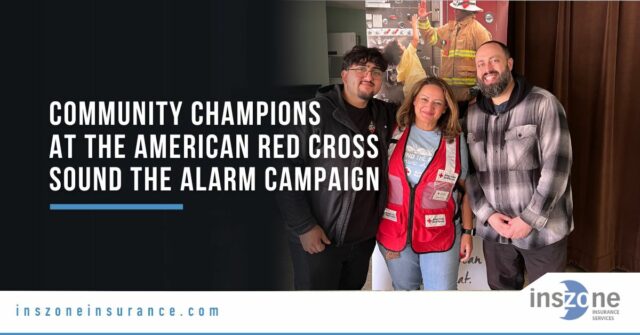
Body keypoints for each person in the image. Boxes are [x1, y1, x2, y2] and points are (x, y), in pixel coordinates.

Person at [278, 46, 397, 290]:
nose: (369, 75)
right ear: (343, 75)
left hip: (362, 240)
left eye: (376, 71)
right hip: (320, 236)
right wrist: (304, 226)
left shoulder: (383, 115)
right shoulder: (313, 112)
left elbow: (423, 108)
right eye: (361, 68)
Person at [466, 40, 574, 290]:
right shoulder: (471, 115)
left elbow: (558, 167)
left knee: (548, 303)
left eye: (494, 60)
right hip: (495, 233)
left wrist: (529, 219)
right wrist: (487, 215)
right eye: (481, 64)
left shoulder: (543, 104)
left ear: (509, 64)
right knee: (502, 298)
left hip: (543, 231)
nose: (487, 68)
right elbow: (469, 173)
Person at [376, 77, 474, 290]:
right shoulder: (392, 131)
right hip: (395, 231)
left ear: (446, 108)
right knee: (405, 292)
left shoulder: (455, 140)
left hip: (440, 233)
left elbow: (464, 191)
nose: (429, 107)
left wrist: (467, 232)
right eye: (424, 99)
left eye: (437, 103)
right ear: (413, 101)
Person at [418, 0, 491, 116]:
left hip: (468, 97)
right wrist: (422, 20)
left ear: (467, 11)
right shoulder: (450, 28)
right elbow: (431, 36)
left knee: (465, 127)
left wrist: (480, 88)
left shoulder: (479, 31)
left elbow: (488, 61)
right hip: (447, 94)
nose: (455, 11)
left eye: (458, 9)